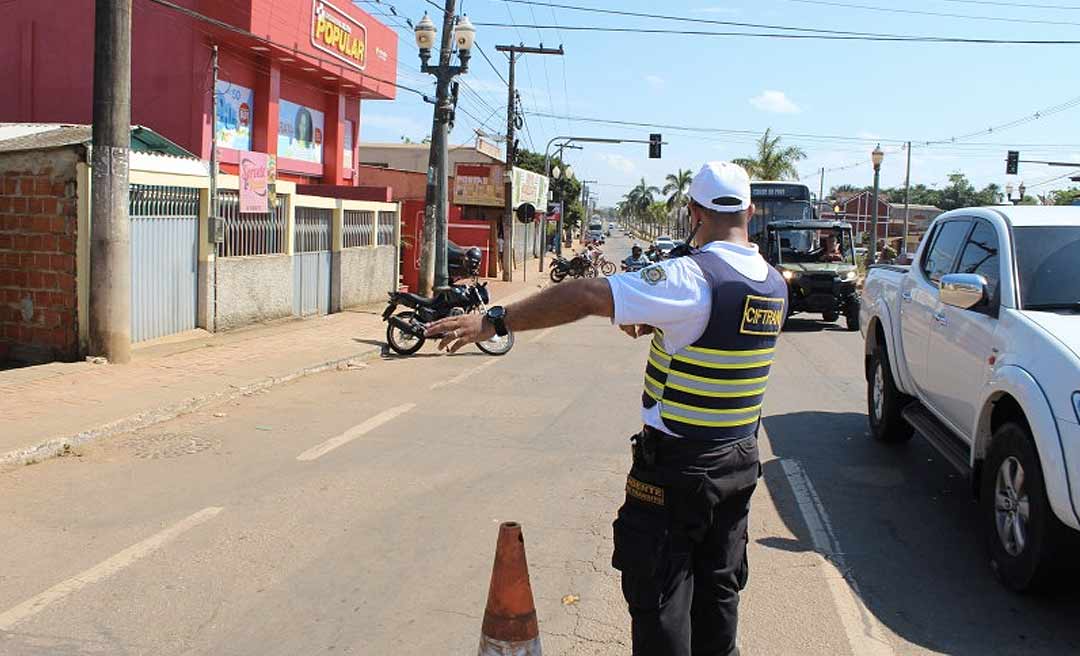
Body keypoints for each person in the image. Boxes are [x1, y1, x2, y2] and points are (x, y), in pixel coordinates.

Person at [426, 161, 788, 656]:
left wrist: (496, 319)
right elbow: (717, 338)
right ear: (749, 210)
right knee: (719, 592)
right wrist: (658, 324)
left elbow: (587, 294)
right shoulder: (772, 283)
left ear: (693, 211)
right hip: (738, 462)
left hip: (678, 469)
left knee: (660, 595)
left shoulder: (690, 277)